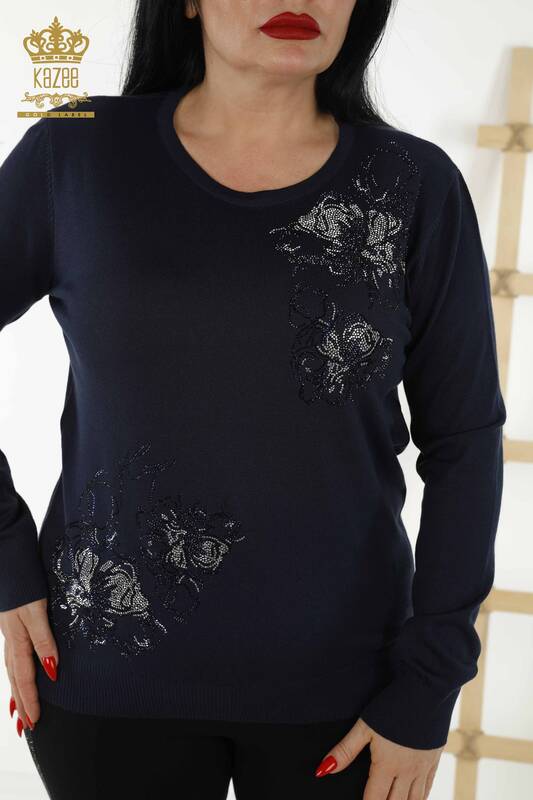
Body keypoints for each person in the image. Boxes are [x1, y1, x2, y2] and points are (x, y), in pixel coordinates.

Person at [0, 1, 506, 798]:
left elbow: (465, 440)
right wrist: (6, 559)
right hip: (107, 675)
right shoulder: (77, 152)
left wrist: (430, 680)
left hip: (350, 693)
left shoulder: (412, 184)